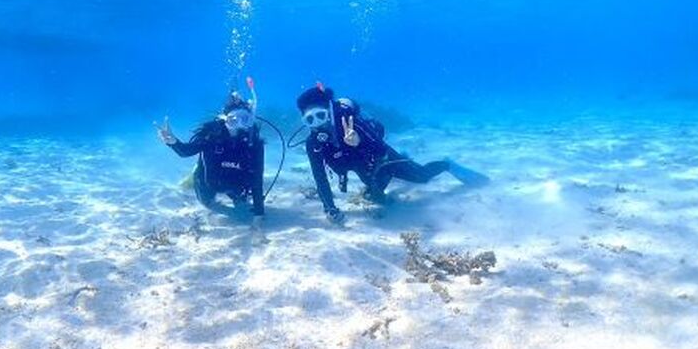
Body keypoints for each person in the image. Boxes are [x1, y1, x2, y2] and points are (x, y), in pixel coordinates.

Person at [296, 83, 489, 224]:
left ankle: (447, 164)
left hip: (381, 159)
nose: (317, 123)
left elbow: (380, 148)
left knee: (421, 177)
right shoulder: (313, 143)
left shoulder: (351, 122)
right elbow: (319, 177)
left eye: (320, 115)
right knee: (376, 197)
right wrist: (329, 208)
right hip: (360, 166)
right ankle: (401, 163)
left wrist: (358, 141)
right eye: (310, 119)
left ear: (328, 112)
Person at [157, 91, 265, 227]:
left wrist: (258, 217)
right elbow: (186, 151)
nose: (239, 125)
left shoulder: (253, 143)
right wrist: (173, 142)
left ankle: (235, 195)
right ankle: (195, 172)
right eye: (233, 120)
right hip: (210, 181)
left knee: (241, 202)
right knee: (207, 203)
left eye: (244, 120)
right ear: (224, 118)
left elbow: (257, 179)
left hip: (236, 182)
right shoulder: (211, 136)